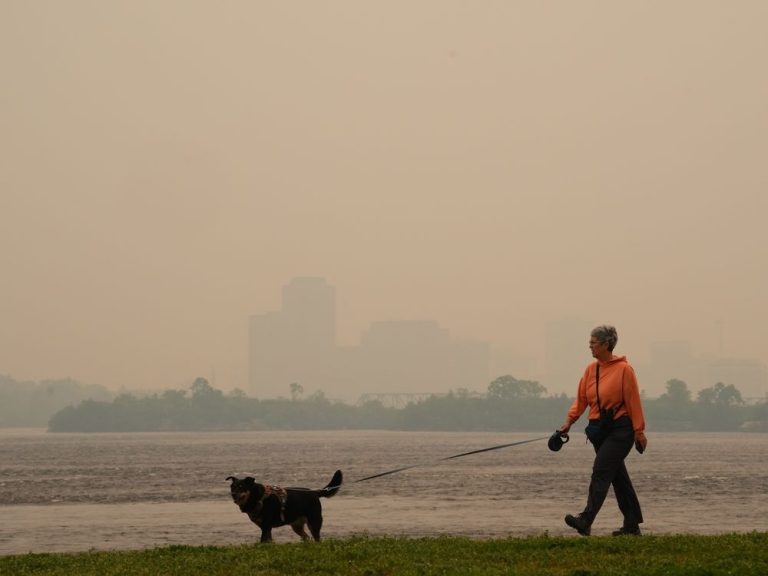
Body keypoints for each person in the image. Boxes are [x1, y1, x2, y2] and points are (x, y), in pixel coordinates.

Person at [558, 324, 647, 536]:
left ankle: (586, 519)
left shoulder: (624, 370)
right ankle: (632, 526)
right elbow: (581, 399)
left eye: (593, 343)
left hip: (621, 428)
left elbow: (633, 401)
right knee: (618, 477)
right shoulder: (591, 369)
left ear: (606, 344)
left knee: (601, 470)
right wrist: (569, 422)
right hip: (599, 430)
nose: (590, 347)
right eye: (589, 343)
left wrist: (639, 431)